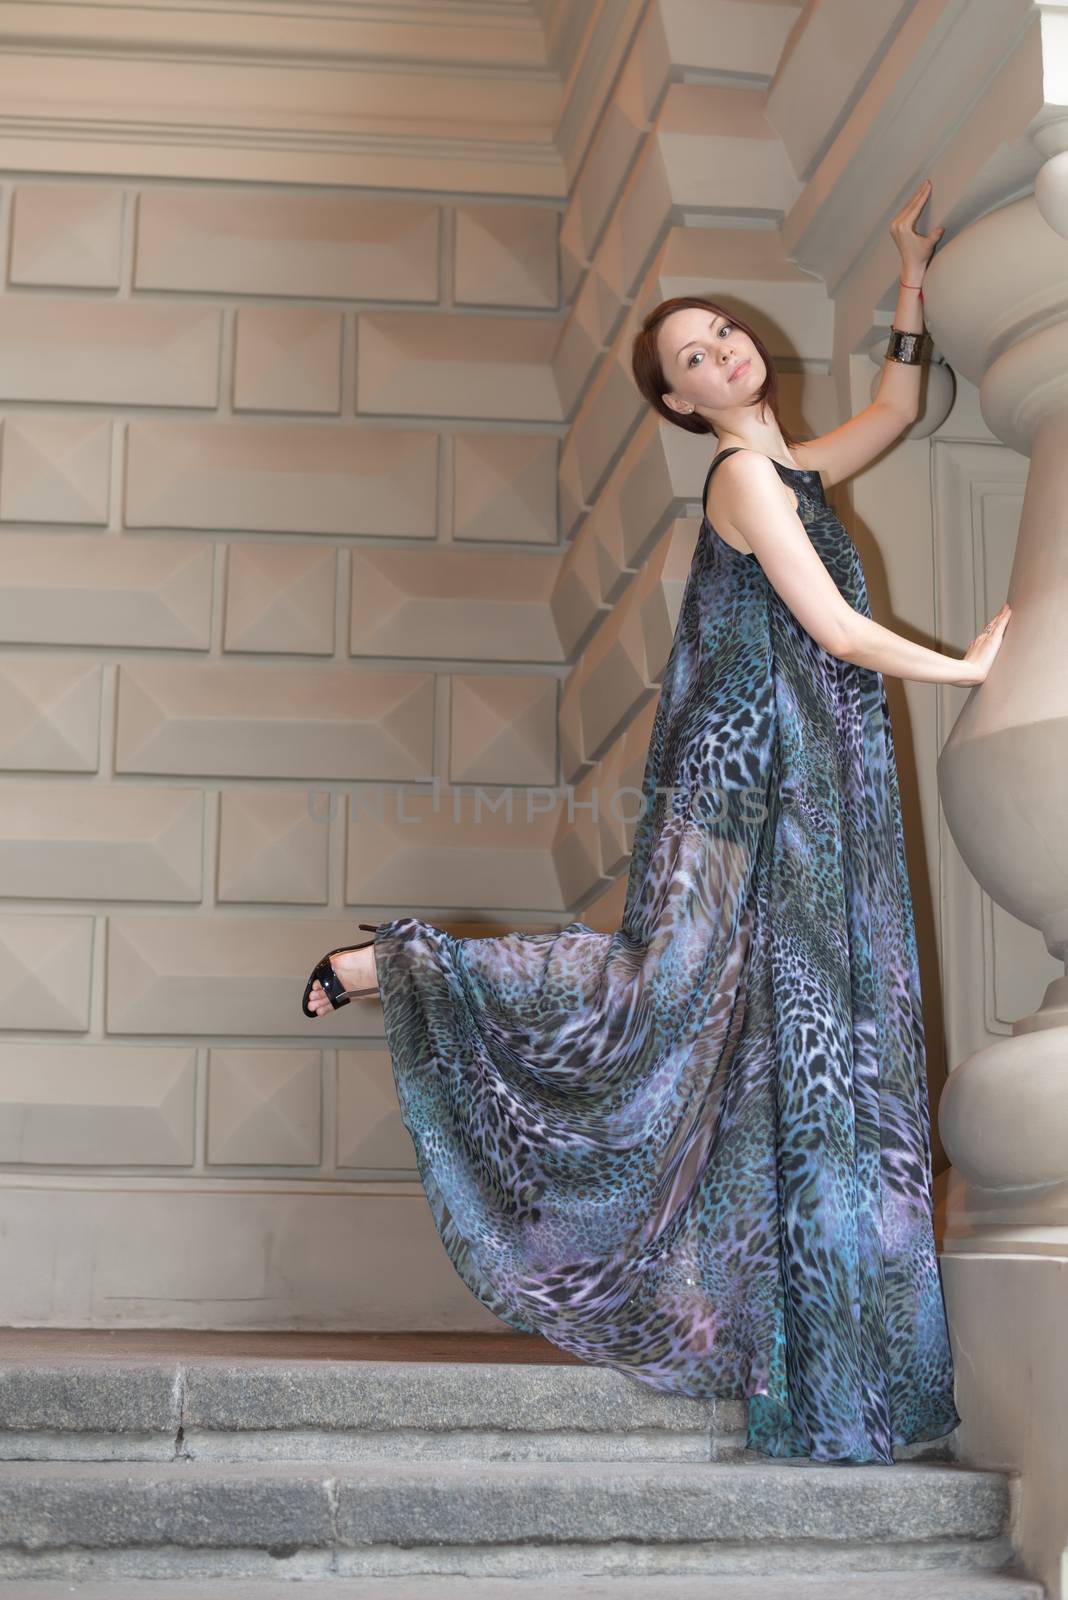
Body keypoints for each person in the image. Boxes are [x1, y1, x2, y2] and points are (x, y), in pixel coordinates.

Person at [301, 178, 1010, 1464]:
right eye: (693, 355)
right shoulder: (745, 481)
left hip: (803, 792)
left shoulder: (788, 464)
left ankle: (820, 1356)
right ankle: (395, 964)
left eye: (723, 331)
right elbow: (836, 630)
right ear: (683, 403)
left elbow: (899, 407)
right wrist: (971, 670)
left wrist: (909, 278)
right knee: (656, 997)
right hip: (746, 799)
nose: (723, 349)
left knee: (789, 1052)